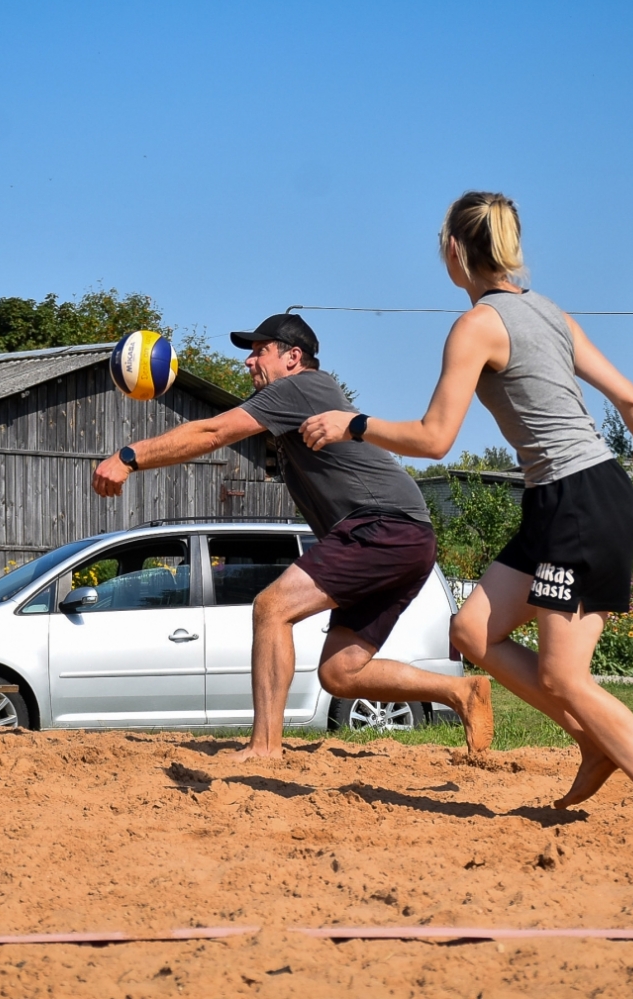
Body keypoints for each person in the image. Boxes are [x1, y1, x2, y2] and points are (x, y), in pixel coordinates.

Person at [299, 192, 633, 831]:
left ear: (454, 251)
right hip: (565, 495)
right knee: (473, 631)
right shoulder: (551, 314)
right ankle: (593, 740)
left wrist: (356, 424)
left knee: (564, 675)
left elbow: (435, 438)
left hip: (578, 501)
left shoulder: (478, 325)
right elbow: (631, 400)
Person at [91, 313, 494, 760]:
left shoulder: (300, 387)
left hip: (383, 527)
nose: (248, 361)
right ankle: (461, 692)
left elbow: (213, 432)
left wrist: (130, 456)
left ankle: (265, 746)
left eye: (259, 350)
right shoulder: (295, 402)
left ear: (293, 357)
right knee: (341, 673)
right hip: (402, 535)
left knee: (271, 607)